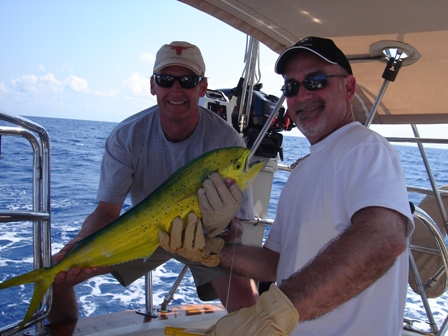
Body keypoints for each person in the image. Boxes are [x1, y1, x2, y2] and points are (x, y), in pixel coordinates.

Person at [160, 36, 414, 335]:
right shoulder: (302, 171)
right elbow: (275, 263)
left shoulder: (364, 147)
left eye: (315, 81)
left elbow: (384, 238)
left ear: (348, 87)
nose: (302, 95)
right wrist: (212, 251)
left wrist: (276, 313)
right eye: (291, 87)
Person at [48, 41, 258, 323]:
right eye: (165, 80)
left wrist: (217, 236)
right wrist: (81, 244)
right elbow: (107, 211)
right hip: (147, 235)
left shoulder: (227, 143)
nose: (176, 90)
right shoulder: (127, 135)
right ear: (152, 86)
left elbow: (236, 229)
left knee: (250, 306)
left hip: (207, 239)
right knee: (57, 276)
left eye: (187, 80)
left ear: (202, 87)